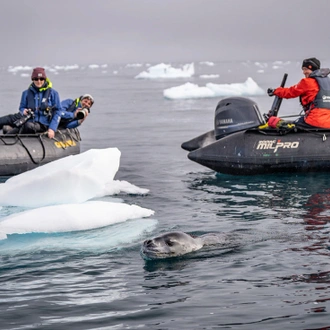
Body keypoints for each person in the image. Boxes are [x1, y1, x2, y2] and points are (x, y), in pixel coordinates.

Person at [267, 57, 330, 128]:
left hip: (315, 120)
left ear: (312, 69)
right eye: (303, 70)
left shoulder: (307, 82)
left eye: (306, 69)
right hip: (328, 122)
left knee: (290, 127)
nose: (304, 72)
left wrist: (275, 91)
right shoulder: (328, 82)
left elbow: (290, 92)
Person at [0, 67, 61, 138]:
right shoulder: (26, 93)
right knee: (6, 120)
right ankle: (8, 131)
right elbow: (22, 107)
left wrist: (52, 128)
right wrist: (23, 111)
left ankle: (7, 136)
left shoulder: (53, 93)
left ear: (44, 79)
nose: (39, 81)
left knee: (28, 126)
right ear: (33, 79)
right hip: (27, 120)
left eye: (41, 79)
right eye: (36, 79)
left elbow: (58, 112)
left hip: (43, 124)